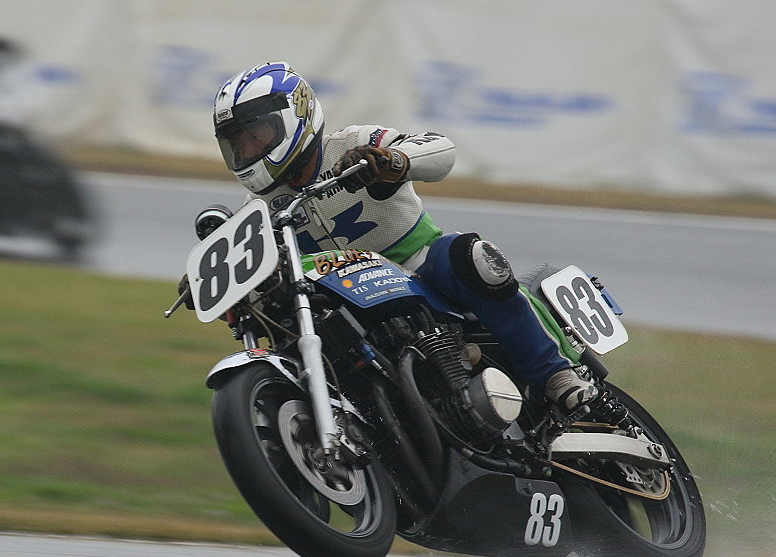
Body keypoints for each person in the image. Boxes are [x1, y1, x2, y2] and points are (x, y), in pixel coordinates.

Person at [206, 61, 597, 411]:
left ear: (295, 116)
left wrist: (393, 161)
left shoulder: (353, 143)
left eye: (256, 134)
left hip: (419, 265)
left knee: (469, 255)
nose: (248, 147)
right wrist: (212, 278)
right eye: (238, 142)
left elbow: (440, 148)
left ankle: (555, 374)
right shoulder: (258, 208)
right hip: (344, 298)